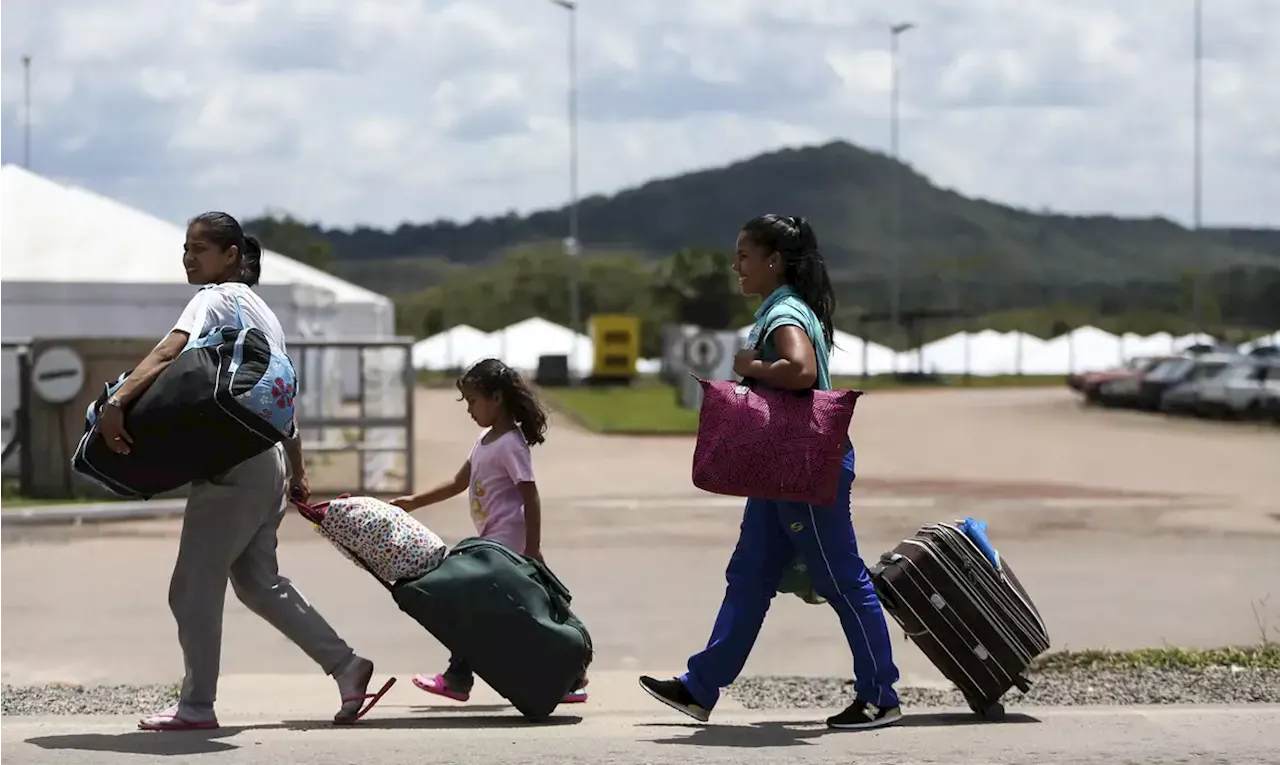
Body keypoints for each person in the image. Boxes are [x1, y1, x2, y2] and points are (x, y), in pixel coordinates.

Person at [96, 211, 392, 732]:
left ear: (230, 256)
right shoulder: (264, 314)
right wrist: (296, 470)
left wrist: (116, 402)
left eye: (199, 249)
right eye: (185, 249)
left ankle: (196, 706)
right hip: (266, 461)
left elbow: (169, 352)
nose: (189, 259)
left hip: (233, 467)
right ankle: (347, 666)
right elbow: (278, 397)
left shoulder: (213, 298)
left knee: (191, 587)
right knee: (258, 584)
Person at [638, 214, 902, 730]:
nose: (736, 264)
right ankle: (700, 687)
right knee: (750, 575)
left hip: (803, 468)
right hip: (778, 469)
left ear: (772, 260)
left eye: (743, 254)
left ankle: (880, 695)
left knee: (842, 580)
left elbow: (800, 371)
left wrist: (750, 366)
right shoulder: (782, 309)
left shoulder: (784, 313)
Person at [390, 358, 589, 704]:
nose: (469, 410)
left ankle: (458, 677)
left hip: (506, 547)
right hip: (491, 543)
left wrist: (533, 548)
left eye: (472, 400)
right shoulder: (485, 440)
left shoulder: (511, 444)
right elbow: (458, 482)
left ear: (496, 398)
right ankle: (569, 680)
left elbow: (531, 494)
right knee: (510, 617)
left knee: (474, 606)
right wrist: (413, 502)